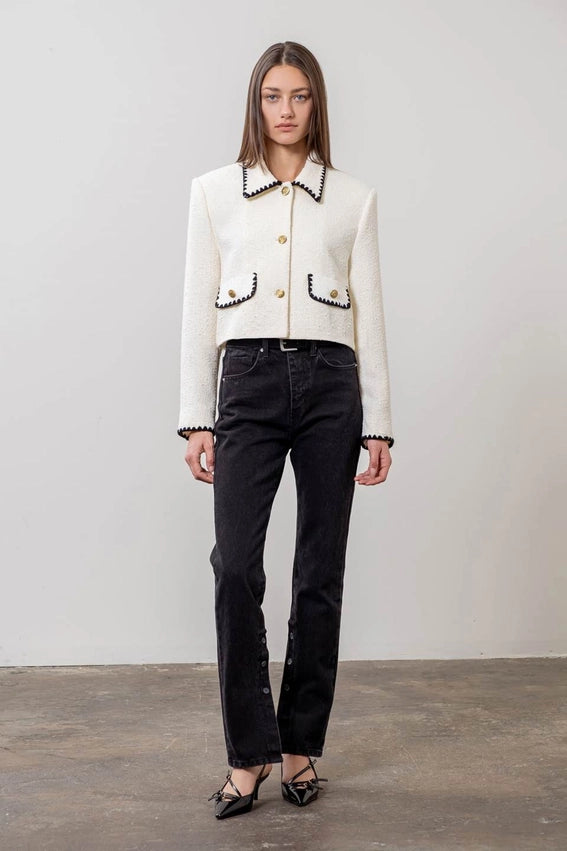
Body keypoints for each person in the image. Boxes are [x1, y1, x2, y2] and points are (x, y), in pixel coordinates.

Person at [177, 41, 394, 820]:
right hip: (247, 381)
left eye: (299, 96)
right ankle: (248, 754)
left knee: (318, 571)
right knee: (236, 566)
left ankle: (300, 746)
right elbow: (196, 309)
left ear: (315, 104)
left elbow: (368, 313)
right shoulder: (213, 193)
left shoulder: (353, 199)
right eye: (273, 95)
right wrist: (196, 418)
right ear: (255, 103)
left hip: (333, 386)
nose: (286, 110)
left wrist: (379, 423)